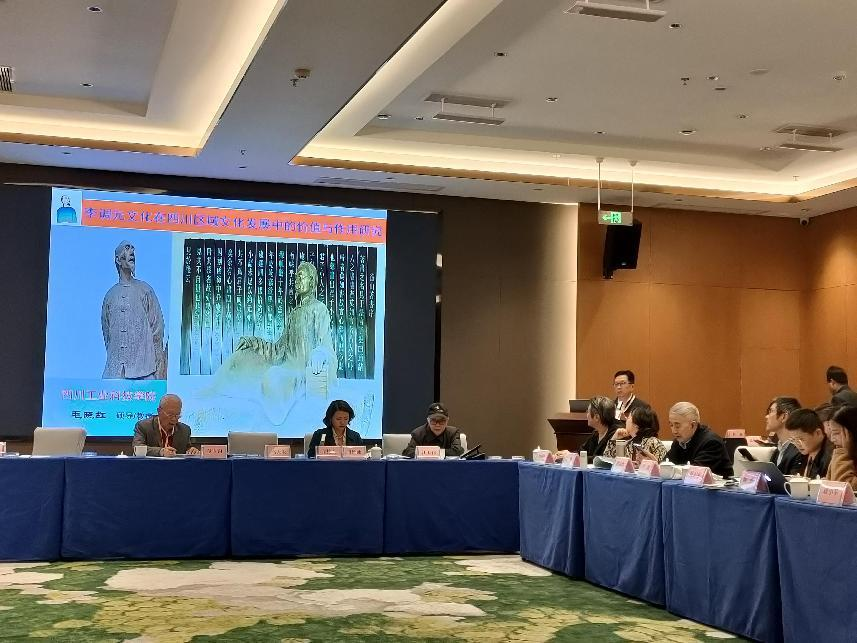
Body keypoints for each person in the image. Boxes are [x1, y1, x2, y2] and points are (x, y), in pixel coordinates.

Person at [210, 261, 337, 423]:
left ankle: (274, 415)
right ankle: (218, 392)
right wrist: (253, 342)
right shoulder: (294, 314)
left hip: (301, 372)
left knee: (273, 376)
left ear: (312, 281)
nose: (297, 281)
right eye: (296, 278)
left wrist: (320, 353)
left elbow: (325, 343)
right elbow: (279, 350)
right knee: (242, 357)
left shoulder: (319, 309)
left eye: (301, 277)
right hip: (286, 367)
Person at [101, 241, 166, 379]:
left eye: (132, 250)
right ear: (118, 260)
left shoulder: (145, 290)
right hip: (115, 375)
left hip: (144, 372)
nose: (131, 252)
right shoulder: (110, 296)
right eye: (126, 249)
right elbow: (107, 334)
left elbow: (157, 329)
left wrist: (158, 367)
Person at [664, 402, 733, 477]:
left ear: (693, 425)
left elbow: (694, 473)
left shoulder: (711, 442)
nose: (674, 431)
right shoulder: (679, 442)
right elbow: (667, 465)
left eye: (677, 426)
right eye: (671, 425)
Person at [132, 394, 199, 457]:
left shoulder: (185, 430)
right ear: (159, 411)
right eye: (170, 415)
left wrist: (191, 450)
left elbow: (187, 448)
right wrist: (161, 451)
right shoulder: (144, 426)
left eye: (177, 415)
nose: (174, 419)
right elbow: (137, 448)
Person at [785, 408, 833, 479]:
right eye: (793, 440)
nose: (797, 444)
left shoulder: (830, 458)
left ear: (818, 433)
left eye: (801, 439)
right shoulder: (800, 456)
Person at [764, 396, 804, 475]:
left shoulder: (800, 450)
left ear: (784, 417)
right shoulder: (778, 450)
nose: (766, 416)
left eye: (771, 411)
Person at [825, 405, 857, 490]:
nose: (832, 439)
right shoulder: (839, 452)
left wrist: (843, 451)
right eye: (831, 433)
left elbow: (843, 487)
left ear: (851, 432)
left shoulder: (842, 453)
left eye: (836, 433)